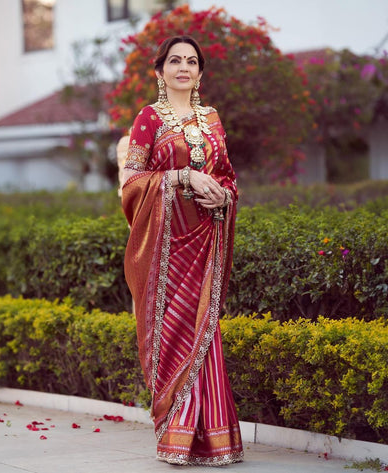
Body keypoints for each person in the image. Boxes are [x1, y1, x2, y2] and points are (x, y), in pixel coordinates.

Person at [121, 35, 243, 466]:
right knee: (173, 337)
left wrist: (223, 197)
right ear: (160, 71)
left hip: (205, 241)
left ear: (200, 73)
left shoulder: (212, 119)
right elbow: (132, 185)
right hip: (166, 251)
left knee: (204, 338)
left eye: (192, 61)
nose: (183, 68)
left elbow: (228, 176)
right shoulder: (149, 119)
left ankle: (213, 440)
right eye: (175, 60)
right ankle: (175, 436)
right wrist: (181, 179)